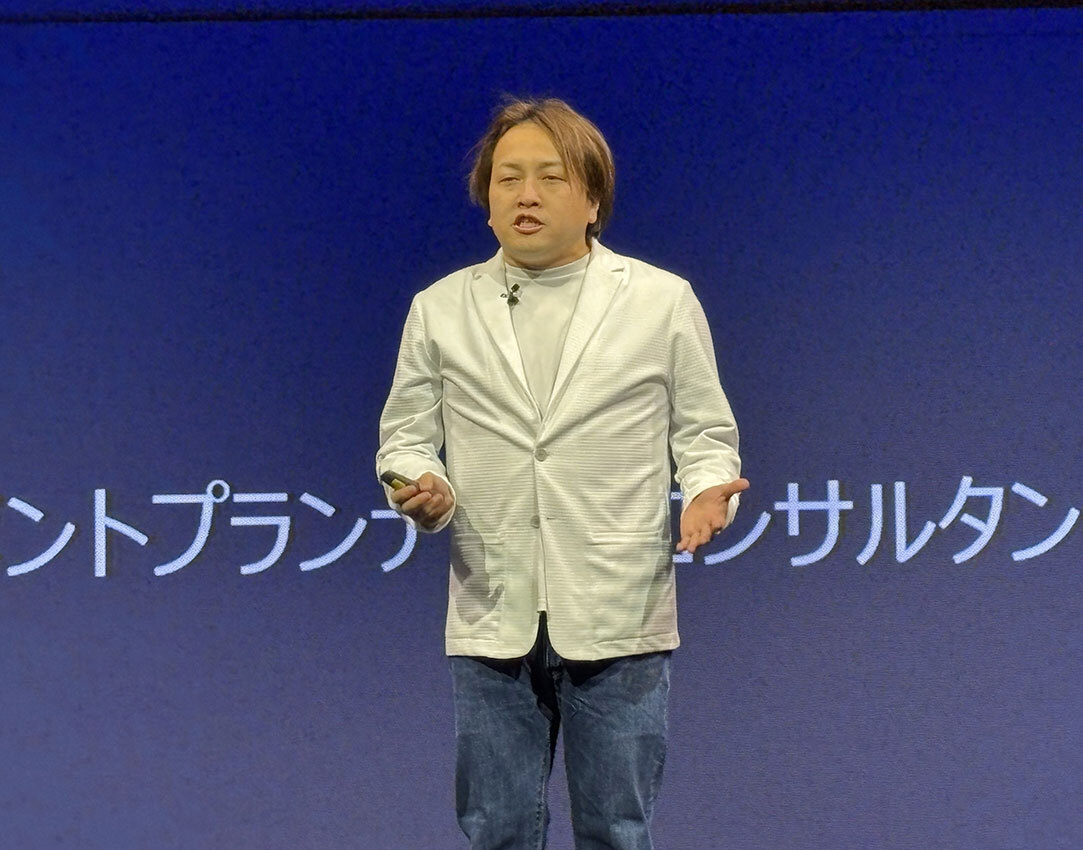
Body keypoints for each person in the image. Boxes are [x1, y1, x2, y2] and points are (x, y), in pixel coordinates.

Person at [376, 97, 748, 850]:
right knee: (497, 831)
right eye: (508, 178)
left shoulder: (660, 300)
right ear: (486, 200)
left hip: (619, 606)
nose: (526, 195)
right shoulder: (439, 307)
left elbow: (705, 431)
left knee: (616, 829)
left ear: (593, 199)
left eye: (550, 177)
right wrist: (421, 488)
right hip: (492, 607)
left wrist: (709, 491)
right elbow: (405, 439)